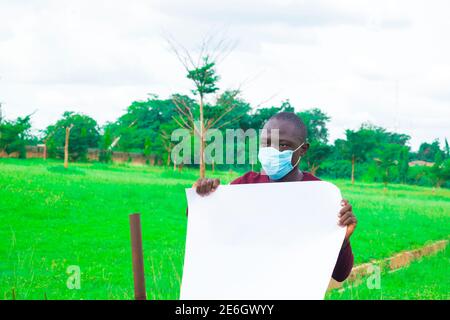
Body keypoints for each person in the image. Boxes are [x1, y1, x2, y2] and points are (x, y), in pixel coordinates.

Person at [191, 112, 357, 282]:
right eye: (266, 144)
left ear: (303, 150)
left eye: (284, 145)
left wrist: (342, 240)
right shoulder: (244, 187)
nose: (273, 151)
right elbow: (208, 231)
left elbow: (340, 274)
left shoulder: (319, 196)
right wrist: (201, 199)